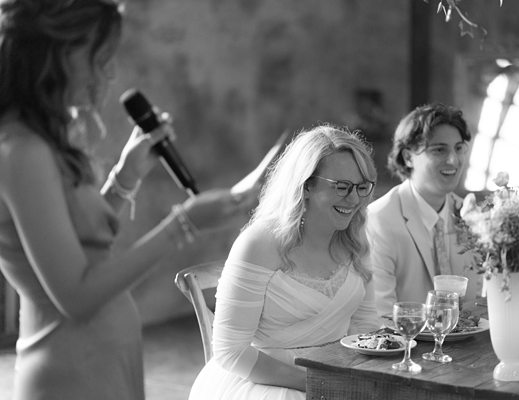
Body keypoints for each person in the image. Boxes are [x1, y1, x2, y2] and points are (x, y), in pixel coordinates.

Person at [0, 1, 256, 399]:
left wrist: (127, 174)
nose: (109, 71)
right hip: (70, 373)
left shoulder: (47, 140)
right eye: (99, 57)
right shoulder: (22, 151)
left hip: (99, 363)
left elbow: (75, 241)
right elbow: (76, 296)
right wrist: (183, 224)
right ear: (56, 54)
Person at [188, 125, 380, 399]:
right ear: (306, 186)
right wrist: (314, 384)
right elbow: (231, 351)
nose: (355, 199)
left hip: (334, 376)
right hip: (263, 380)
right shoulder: (259, 244)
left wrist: (352, 378)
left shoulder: (355, 240)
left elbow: (365, 324)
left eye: (362, 187)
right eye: (341, 187)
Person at [366, 103, 482, 316]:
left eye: (458, 148)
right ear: (409, 157)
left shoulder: (470, 214)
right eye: (439, 149)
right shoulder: (379, 219)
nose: (453, 160)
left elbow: (481, 299)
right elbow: (380, 315)